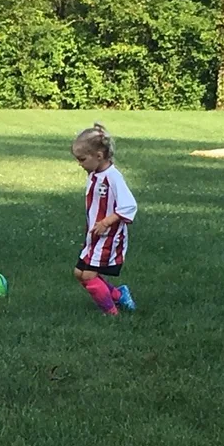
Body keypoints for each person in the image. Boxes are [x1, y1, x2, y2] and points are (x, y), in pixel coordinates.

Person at [71, 124, 137, 316]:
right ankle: (118, 294)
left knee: (89, 275)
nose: (80, 164)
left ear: (99, 156)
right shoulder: (95, 174)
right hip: (94, 234)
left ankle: (111, 313)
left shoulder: (113, 177)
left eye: (82, 159)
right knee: (79, 273)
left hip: (109, 236)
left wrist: (106, 222)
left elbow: (129, 205)